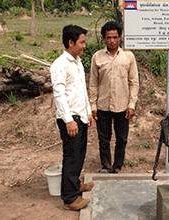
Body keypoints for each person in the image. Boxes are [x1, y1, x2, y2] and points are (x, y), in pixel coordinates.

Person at [50, 24, 94, 210]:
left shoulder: (77, 62)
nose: (84, 46)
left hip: (81, 116)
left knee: (80, 155)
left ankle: (75, 186)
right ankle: (69, 198)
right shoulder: (60, 65)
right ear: (71, 42)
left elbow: (81, 91)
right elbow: (59, 95)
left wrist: (89, 111)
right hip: (70, 119)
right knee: (71, 157)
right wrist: (68, 120)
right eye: (81, 42)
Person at [89, 21, 139, 174]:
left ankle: (117, 166)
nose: (112, 41)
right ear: (104, 38)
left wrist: (132, 104)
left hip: (122, 106)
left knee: (121, 139)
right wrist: (93, 106)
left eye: (115, 37)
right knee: (104, 140)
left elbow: (134, 82)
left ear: (120, 38)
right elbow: (93, 83)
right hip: (103, 106)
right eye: (108, 37)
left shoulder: (128, 57)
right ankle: (106, 165)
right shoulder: (97, 57)